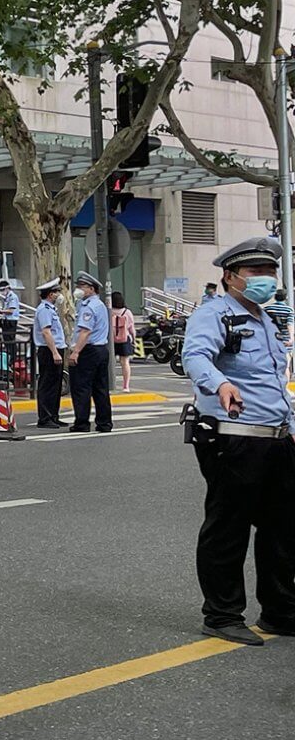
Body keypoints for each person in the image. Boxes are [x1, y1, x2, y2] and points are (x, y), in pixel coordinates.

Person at [181, 236, 295, 646]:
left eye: (270, 271)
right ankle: (222, 614)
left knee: (283, 528)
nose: (266, 278)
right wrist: (221, 383)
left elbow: (274, 384)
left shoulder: (264, 319)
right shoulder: (215, 314)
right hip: (233, 437)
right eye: (255, 272)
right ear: (230, 277)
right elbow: (195, 357)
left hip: (276, 439)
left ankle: (280, 610)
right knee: (229, 526)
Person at [67, 271, 112, 433]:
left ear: (91, 289)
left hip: (89, 351)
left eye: (82, 286)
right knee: (100, 388)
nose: (78, 289)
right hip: (101, 350)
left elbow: (85, 332)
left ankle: (82, 422)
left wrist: (76, 352)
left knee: (81, 388)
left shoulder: (89, 307)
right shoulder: (98, 305)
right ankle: (104, 422)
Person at [32, 278, 66, 429]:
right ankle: (45, 417)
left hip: (56, 348)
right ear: (50, 294)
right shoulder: (44, 310)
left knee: (56, 385)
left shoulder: (51, 309)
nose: (59, 294)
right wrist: (55, 353)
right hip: (49, 350)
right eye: (57, 292)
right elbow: (46, 332)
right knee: (47, 384)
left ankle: (53, 415)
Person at [111, 291, 136, 392]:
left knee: (110, 363)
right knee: (125, 363)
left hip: (111, 341)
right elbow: (131, 328)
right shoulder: (127, 312)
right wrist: (134, 339)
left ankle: (110, 383)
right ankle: (126, 386)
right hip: (124, 339)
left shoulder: (109, 311)